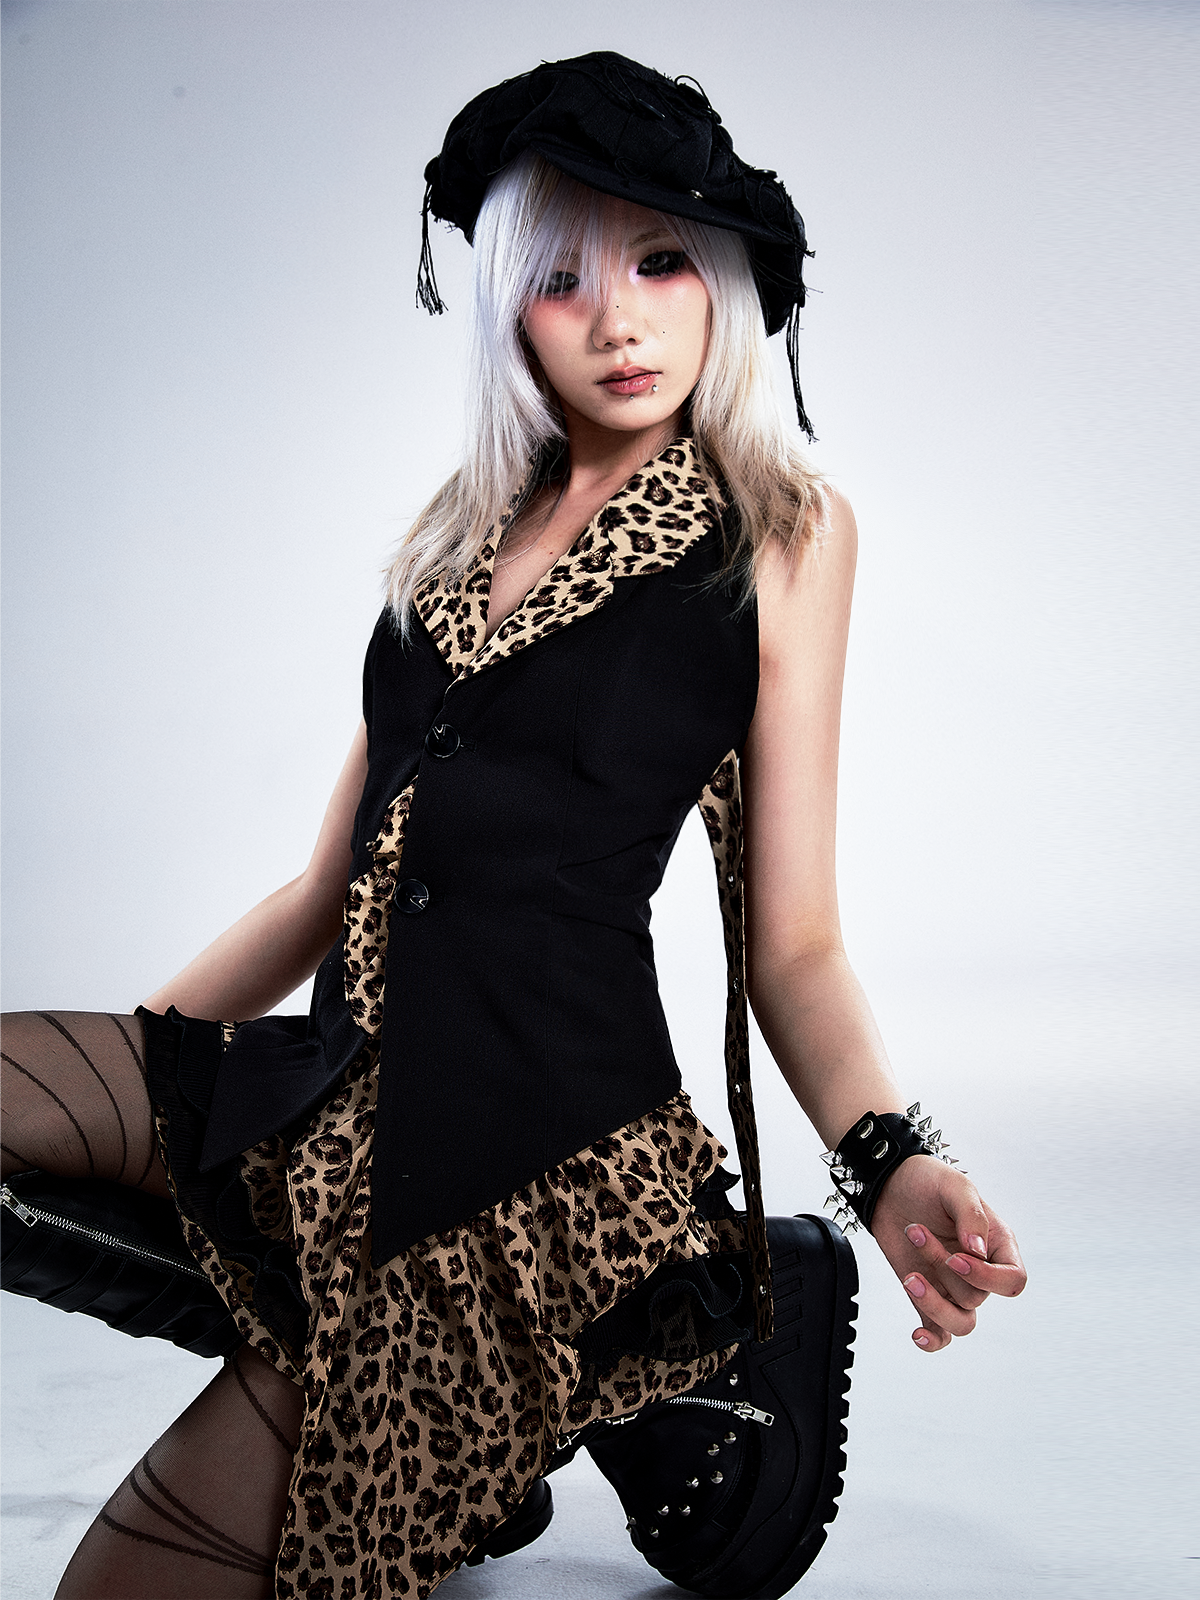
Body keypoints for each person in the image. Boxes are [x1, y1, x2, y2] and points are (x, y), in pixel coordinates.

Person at [0, 51, 1026, 1600]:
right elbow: (329, 882)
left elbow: (797, 945)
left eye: (660, 261)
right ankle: (462, 1427)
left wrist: (887, 1162)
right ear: (507, 312)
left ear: (723, 277)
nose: (618, 321)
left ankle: (618, 1360)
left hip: (534, 1172)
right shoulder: (451, 532)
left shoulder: (780, 533)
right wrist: (146, 1094)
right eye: (559, 280)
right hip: (332, 1100)